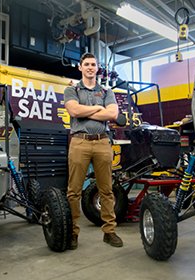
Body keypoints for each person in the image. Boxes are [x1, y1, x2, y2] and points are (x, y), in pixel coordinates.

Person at [64, 52, 123, 249]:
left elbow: (113, 113)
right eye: (86, 64)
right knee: (74, 191)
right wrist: (99, 110)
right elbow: (74, 111)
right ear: (80, 67)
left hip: (102, 143)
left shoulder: (107, 92)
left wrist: (87, 110)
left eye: (93, 64)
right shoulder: (71, 90)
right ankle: (72, 232)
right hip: (79, 142)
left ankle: (109, 232)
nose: (90, 67)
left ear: (97, 68)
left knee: (106, 190)